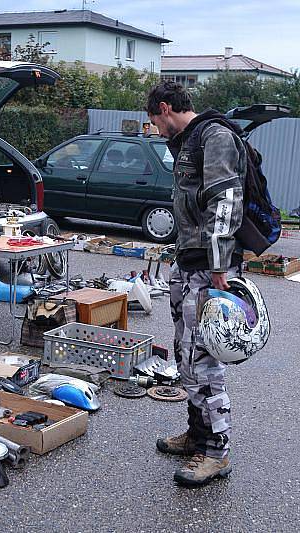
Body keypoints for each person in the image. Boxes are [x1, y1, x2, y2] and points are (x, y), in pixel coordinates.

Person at [146, 81, 247, 487]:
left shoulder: (215, 136)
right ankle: (197, 435)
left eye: (154, 121)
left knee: (203, 360)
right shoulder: (189, 141)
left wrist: (220, 263)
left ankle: (217, 452)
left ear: (165, 108)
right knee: (185, 353)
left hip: (210, 267)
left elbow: (226, 200)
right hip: (189, 261)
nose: (154, 130)